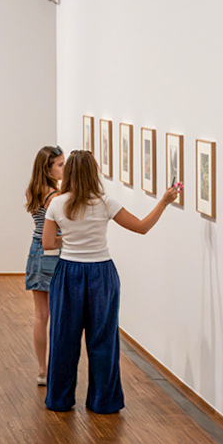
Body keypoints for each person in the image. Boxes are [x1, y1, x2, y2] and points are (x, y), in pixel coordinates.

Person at [41, 150, 179, 414]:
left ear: (68, 173)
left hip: (68, 273)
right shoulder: (105, 202)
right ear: (93, 173)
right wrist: (164, 201)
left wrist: (69, 239)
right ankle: (104, 402)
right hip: (101, 275)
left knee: (63, 338)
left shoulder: (57, 204)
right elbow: (141, 227)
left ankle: (59, 400)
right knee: (103, 340)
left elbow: (47, 244)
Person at [24, 146, 64, 385]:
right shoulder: (55, 198)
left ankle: (42, 370)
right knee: (57, 314)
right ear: (47, 168)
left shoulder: (33, 190)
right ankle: (56, 367)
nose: (63, 169)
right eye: (59, 164)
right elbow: (59, 232)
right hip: (53, 252)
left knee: (41, 315)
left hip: (35, 252)